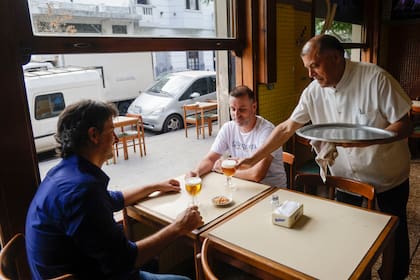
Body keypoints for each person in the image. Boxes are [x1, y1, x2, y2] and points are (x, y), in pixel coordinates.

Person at [238, 34, 412, 280]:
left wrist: (366, 140)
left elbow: (404, 124)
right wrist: (253, 158)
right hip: (345, 177)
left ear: (336, 58)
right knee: (349, 236)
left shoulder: (375, 78)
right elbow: (287, 127)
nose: (310, 74)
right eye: (307, 68)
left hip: (387, 176)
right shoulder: (313, 92)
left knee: (395, 234)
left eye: (314, 66)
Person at [25, 100, 204, 280]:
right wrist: (179, 227)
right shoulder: (82, 191)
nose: (117, 139)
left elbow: (113, 199)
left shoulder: (65, 173)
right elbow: (126, 260)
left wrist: (155, 186)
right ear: (94, 135)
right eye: (112, 131)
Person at [187, 85, 287, 188]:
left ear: (254, 107)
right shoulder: (228, 128)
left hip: (273, 192)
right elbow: (211, 159)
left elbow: (257, 174)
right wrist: (196, 172)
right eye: (233, 109)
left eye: (242, 110)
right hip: (244, 186)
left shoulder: (267, 131)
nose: (236, 114)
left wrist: (224, 170)